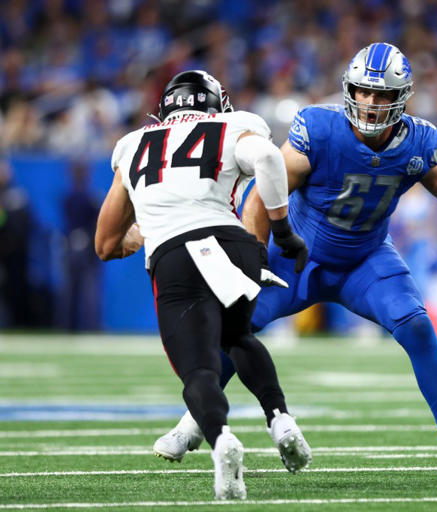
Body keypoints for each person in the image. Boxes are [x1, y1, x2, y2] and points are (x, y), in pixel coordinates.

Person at [151, 42, 437, 480]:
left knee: (417, 325)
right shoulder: (319, 127)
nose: (372, 102)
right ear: (350, 91)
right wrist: (254, 254)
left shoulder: (419, 139)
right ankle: (193, 422)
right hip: (297, 258)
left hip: (364, 260)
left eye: (382, 95)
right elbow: (265, 187)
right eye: (364, 92)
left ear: (401, 97)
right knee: (236, 327)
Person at [95, 70, 311, 500]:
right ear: (214, 105)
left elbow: (105, 243)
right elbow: (268, 160)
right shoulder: (234, 124)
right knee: (238, 337)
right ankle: (281, 418)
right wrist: (284, 231)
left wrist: (139, 236)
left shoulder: (134, 143)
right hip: (233, 244)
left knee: (198, 369)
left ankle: (221, 440)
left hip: (175, 255)